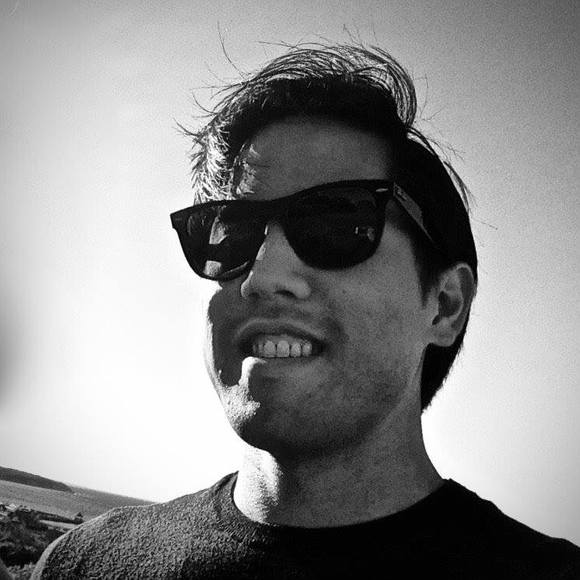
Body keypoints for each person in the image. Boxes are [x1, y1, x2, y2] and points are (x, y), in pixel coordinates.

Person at [32, 43, 580, 579]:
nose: (263, 277)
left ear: (444, 305)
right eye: (235, 233)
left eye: (336, 224)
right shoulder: (79, 566)